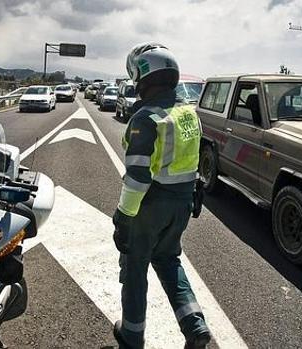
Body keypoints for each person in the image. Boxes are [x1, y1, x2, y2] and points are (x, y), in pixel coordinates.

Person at [112, 43, 211, 349]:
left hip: (149, 207)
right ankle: (195, 327)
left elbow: (139, 178)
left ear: (142, 78)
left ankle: (131, 335)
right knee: (169, 261)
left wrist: (123, 218)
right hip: (182, 203)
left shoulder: (146, 118)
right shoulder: (187, 113)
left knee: (134, 268)